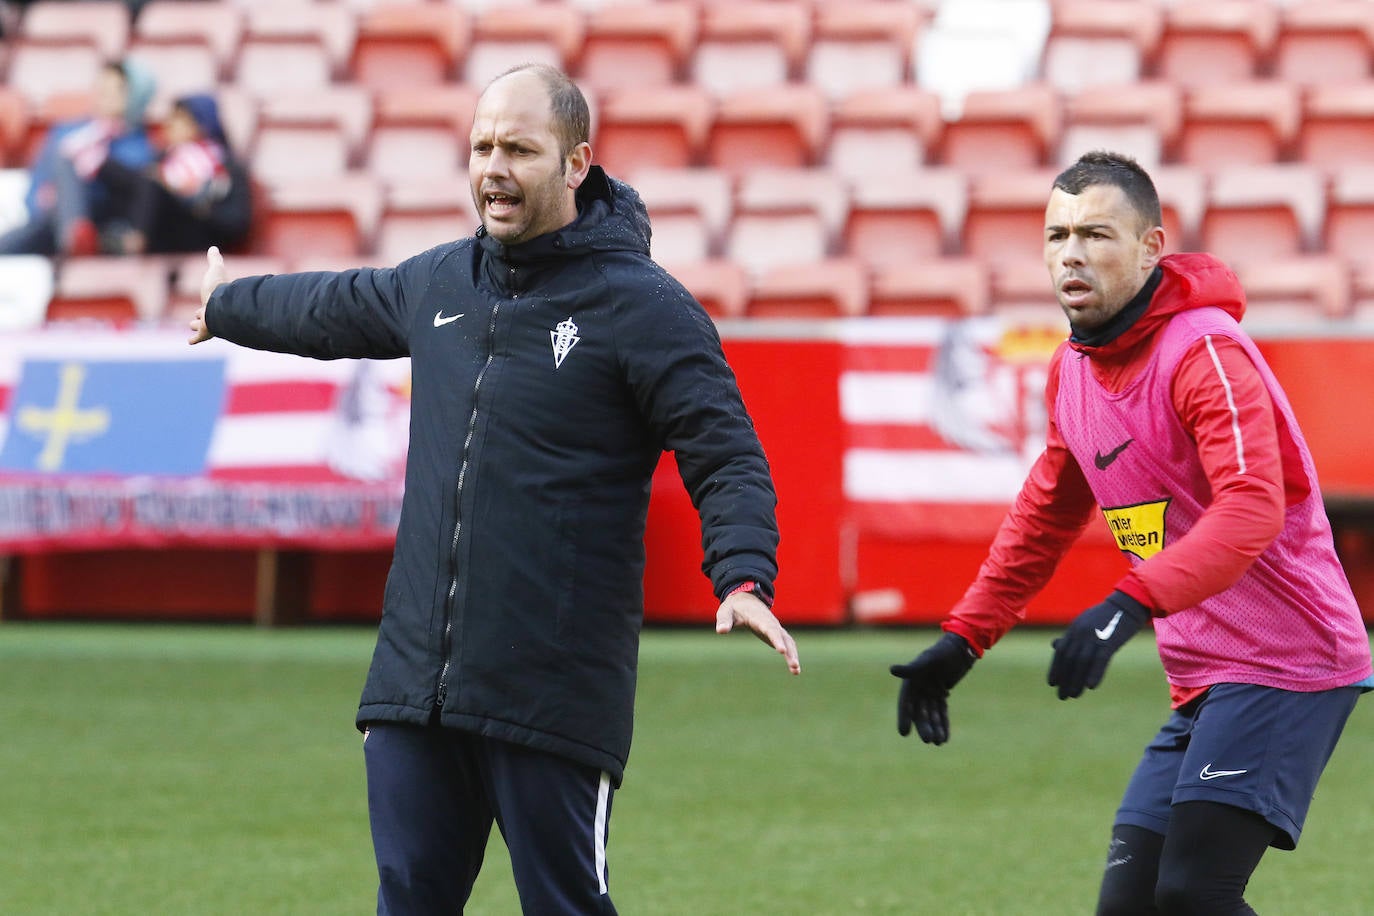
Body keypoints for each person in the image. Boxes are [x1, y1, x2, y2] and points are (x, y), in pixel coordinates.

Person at [188, 64, 800, 915]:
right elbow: (331, 307)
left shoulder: (647, 308)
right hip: (415, 685)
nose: (494, 168)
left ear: (577, 164)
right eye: (482, 147)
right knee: (409, 898)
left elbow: (724, 452)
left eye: (520, 148)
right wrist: (228, 306)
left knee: (563, 904)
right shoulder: (440, 281)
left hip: (549, 690)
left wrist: (741, 573)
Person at [889, 150, 1371, 915]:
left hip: (1290, 659)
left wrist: (1128, 604)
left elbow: (1251, 506)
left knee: (1191, 896)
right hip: (1204, 677)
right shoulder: (1073, 372)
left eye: (1096, 234)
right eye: (1056, 235)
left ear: (1150, 248)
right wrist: (961, 641)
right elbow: (1043, 520)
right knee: (1131, 907)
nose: (1071, 253)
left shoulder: (1204, 351)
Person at [0, 57, 156, 257]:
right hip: (50, 219)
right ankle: (73, 235)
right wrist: (49, 201)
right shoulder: (66, 132)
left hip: (101, 227)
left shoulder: (139, 148)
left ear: (134, 97)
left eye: (114, 91)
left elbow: (117, 197)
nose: (103, 96)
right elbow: (35, 186)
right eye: (101, 88)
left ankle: (75, 235)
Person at [98, 92, 252, 256]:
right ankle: (125, 237)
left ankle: (134, 242)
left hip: (201, 238)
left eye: (180, 119)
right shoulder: (164, 159)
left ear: (202, 124)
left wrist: (193, 200)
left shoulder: (226, 167)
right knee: (113, 171)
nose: (170, 125)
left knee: (150, 183)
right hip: (160, 237)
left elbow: (236, 223)